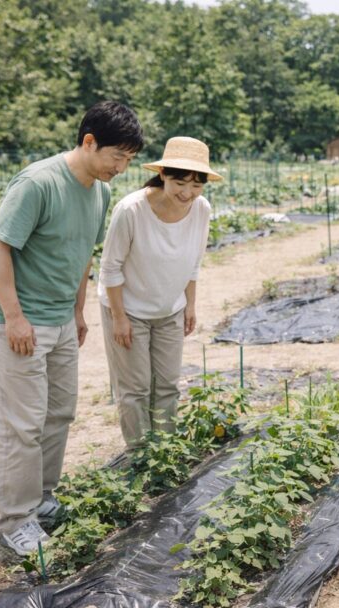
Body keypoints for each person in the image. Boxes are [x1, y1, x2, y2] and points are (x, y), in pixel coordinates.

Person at [0, 101, 143, 555]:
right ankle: (16, 519)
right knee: (21, 423)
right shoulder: (39, 183)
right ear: (89, 142)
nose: (121, 168)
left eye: (129, 159)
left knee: (58, 414)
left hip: (60, 317)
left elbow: (83, 252)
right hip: (19, 319)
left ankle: (42, 499)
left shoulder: (99, 191)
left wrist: (77, 310)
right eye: (117, 156)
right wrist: (14, 317)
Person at [98, 137, 219, 449]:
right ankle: (140, 455)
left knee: (167, 385)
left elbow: (193, 262)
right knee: (135, 388)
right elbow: (110, 268)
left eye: (196, 185)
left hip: (170, 309)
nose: (187, 193)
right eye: (180, 183)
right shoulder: (132, 210)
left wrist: (190, 305)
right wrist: (119, 318)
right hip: (128, 310)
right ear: (163, 174)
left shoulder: (201, 209)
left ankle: (164, 452)